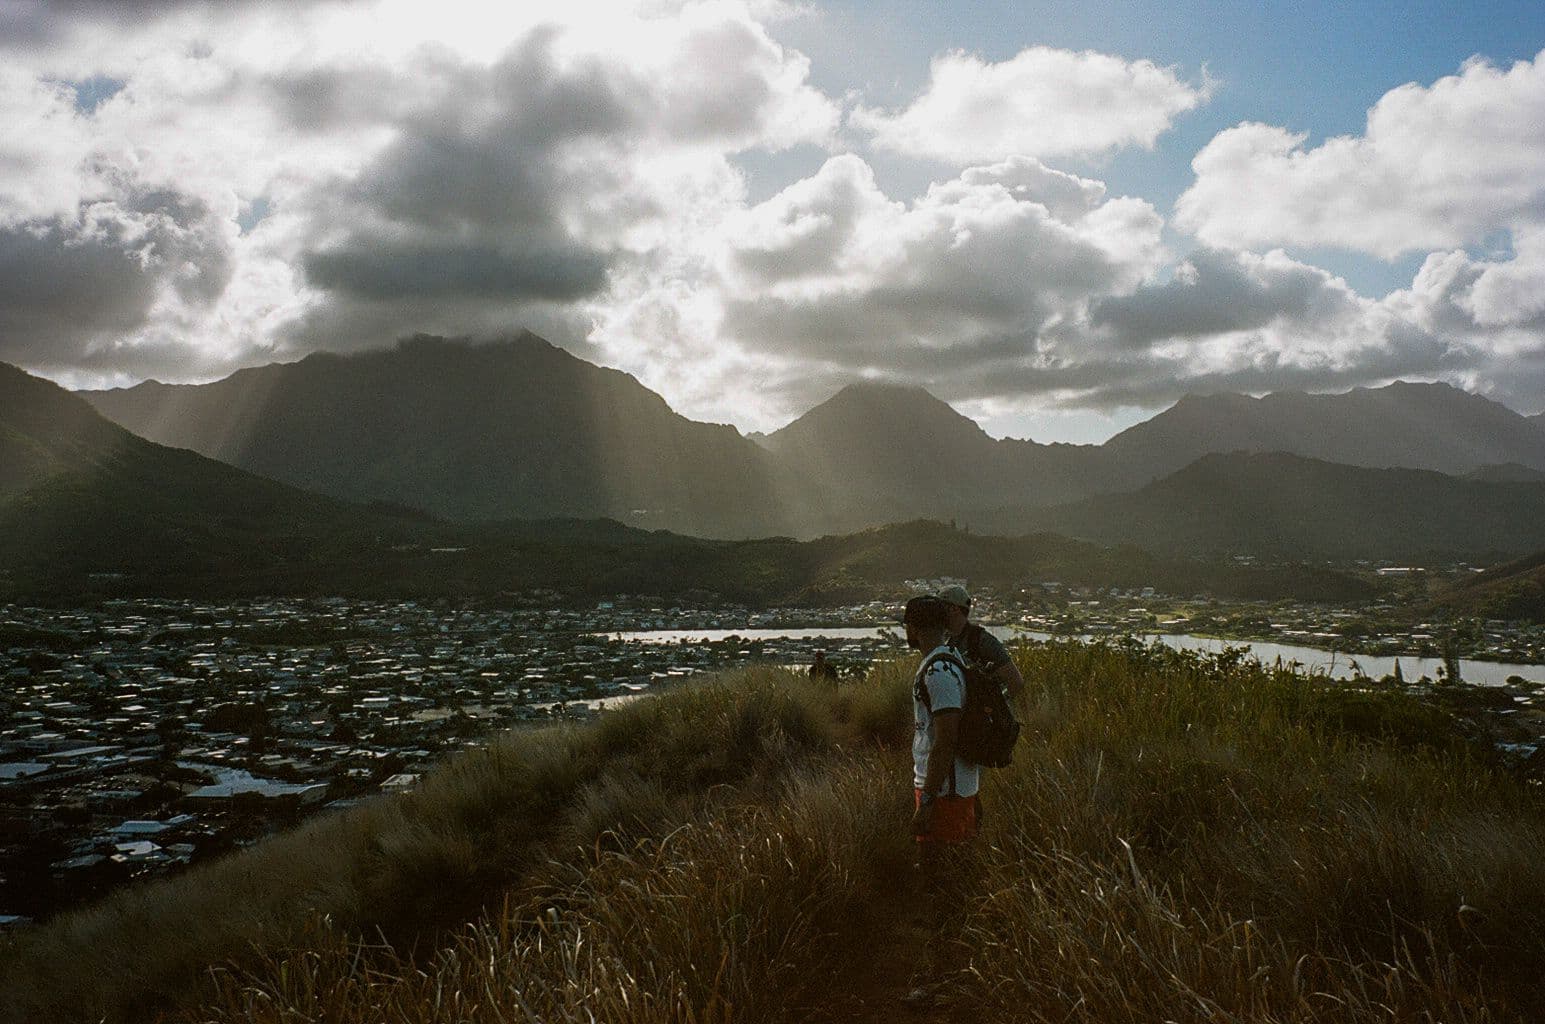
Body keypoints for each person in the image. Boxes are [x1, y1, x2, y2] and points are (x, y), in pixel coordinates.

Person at [903, 595, 979, 870]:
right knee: (941, 867)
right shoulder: (946, 660)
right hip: (946, 785)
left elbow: (946, 740)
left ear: (913, 627)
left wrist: (927, 801)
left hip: (946, 790)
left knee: (940, 869)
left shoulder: (938, 671)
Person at [937, 584, 1024, 701]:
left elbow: (1015, 681)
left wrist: (993, 705)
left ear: (954, 609)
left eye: (939, 607)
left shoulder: (982, 641)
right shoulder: (942, 639)